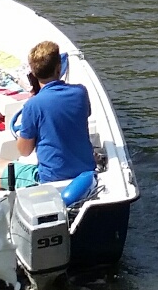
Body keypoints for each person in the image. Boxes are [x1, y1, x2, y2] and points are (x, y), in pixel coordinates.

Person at [10, 40, 97, 204]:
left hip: (49, 179)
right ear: (59, 68)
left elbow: (24, 151)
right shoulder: (80, 92)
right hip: (84, 173)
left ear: (33, 74)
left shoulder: (32, 106)